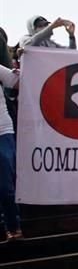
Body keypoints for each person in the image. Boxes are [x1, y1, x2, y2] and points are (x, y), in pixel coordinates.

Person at [0, 57, 21, 241]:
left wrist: (27, 62)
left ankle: (13, 227)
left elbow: (19, 83)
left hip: (2, 132)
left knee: (6, 186)